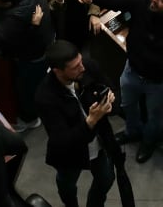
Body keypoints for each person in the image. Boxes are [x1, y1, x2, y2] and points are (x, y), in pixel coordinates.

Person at [79, 0, 163, 163]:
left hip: (158, 82)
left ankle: (149, 141)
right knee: (128, 106)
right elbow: (116, 0)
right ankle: (132, 132)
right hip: (131, 71)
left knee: (155, 116)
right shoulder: (143, 2)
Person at [35, 40, 117, 207]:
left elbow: (110, 87)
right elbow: (62, 141)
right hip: (70, 155)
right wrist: (91, 121)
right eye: (75, 67)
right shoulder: (45, 97)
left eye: (81, 61)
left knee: (106, 178)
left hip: (99, 143)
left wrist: (110, 101)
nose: (82, 68)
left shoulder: (88, 67)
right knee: (67, 185)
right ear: (58, 71)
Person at [0, 0, 55, 131]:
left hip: (32, 56)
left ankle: (30, 119)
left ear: (6, 4)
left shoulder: (17, 15)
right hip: (44, 40)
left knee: (26, 89)